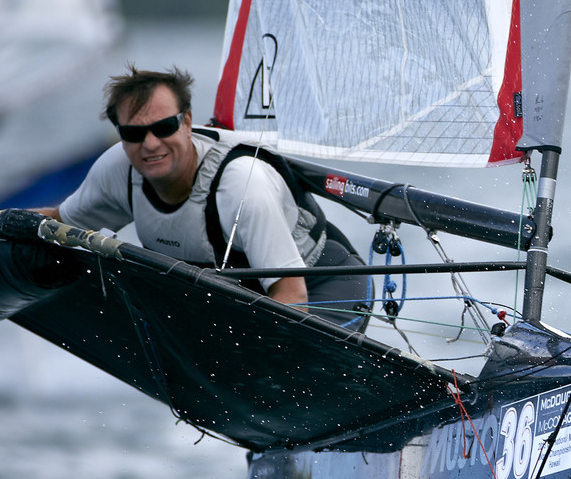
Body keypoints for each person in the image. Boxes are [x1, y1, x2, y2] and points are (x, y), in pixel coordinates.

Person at [39, 66, 369, 327]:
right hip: (237, 297)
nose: (151, 144)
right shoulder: (116, 169)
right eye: (134, 133)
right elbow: (58, 224)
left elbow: (290, 294)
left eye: (164, 127)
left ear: (187, 122)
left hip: (322, 284)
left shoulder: (241, 186)